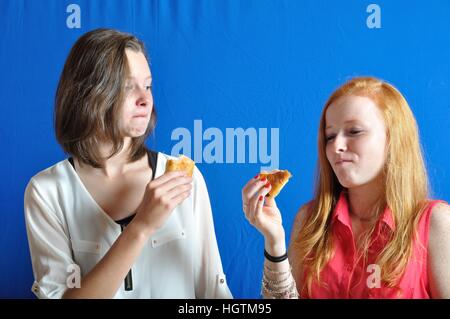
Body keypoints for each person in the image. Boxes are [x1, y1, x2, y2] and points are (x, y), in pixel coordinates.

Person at [24, 28, 232, 299]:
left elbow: (214, 292)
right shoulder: (47, 192)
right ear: (88, 93)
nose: (145, 100)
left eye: (147, 85)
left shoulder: (183, 178)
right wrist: (141, 227)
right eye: (127, 86)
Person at [242, 77, 450, 298]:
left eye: (354, 131)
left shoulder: (435, 223)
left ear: (393, 139)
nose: (336, 146)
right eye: (330, 136)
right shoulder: (309, 220)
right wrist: (274, 242)